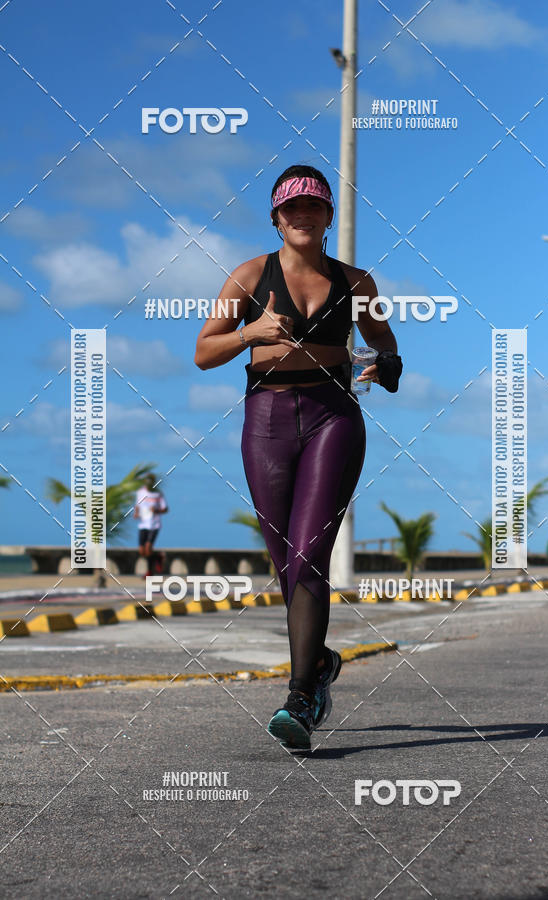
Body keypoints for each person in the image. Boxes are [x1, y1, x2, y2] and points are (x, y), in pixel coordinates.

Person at [194, 164, 402, 749]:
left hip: (333, 418)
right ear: (276, 218)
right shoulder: (249, 276)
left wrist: (382, 363)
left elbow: (385, 346)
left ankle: (300, 697)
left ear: (329, 215)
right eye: (292, 209)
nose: (303, 216)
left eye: (314, 207)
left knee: (309, 552)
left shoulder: (359, 283)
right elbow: (203, 353)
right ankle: (320, 662)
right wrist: (250, 333)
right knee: (286, 559)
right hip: (266, 421)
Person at [133, 475, 169, 577]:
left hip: (154, 525)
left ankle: (149, 572)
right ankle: (158, 557)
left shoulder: (158, 494)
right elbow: (137, 505)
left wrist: (156, 510)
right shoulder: (140, 492)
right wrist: (136, 513)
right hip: (143, 524)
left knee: (148, 548)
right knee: (142, 551)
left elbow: (165, 509)